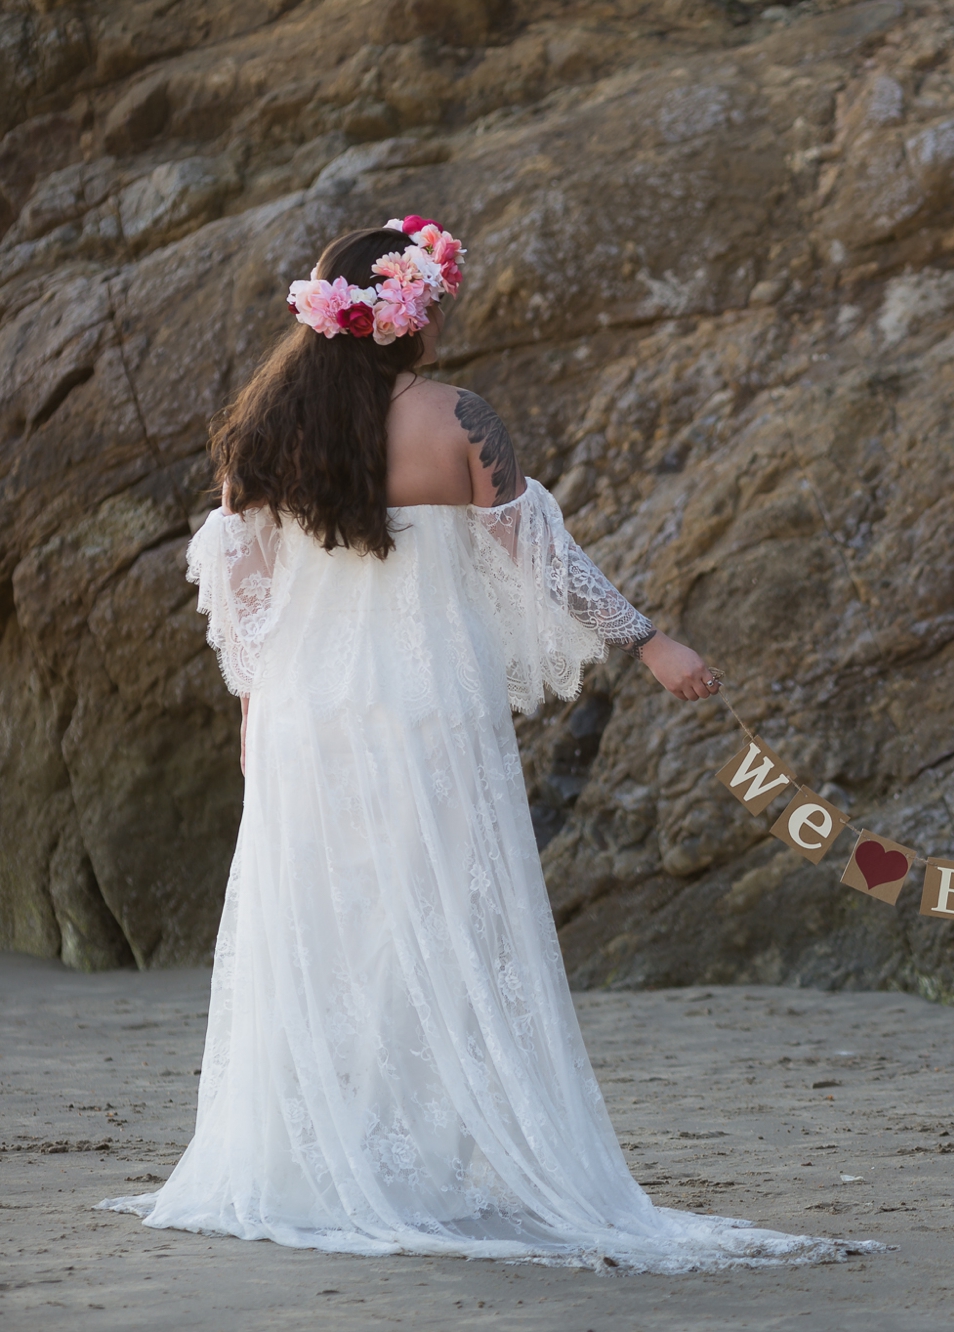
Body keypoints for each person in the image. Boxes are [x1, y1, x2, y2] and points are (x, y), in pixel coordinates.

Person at [99, 218, 870, 1270]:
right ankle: (425, 1154)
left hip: (301, 716)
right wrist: (648, 643)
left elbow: (247, 592)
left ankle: (325, 1158)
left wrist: (251, 717)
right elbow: (542, 562)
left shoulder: (263, 428)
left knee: (323, 927)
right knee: (443, 917)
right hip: (424, 706)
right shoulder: (456, 416)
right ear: (408, 314)